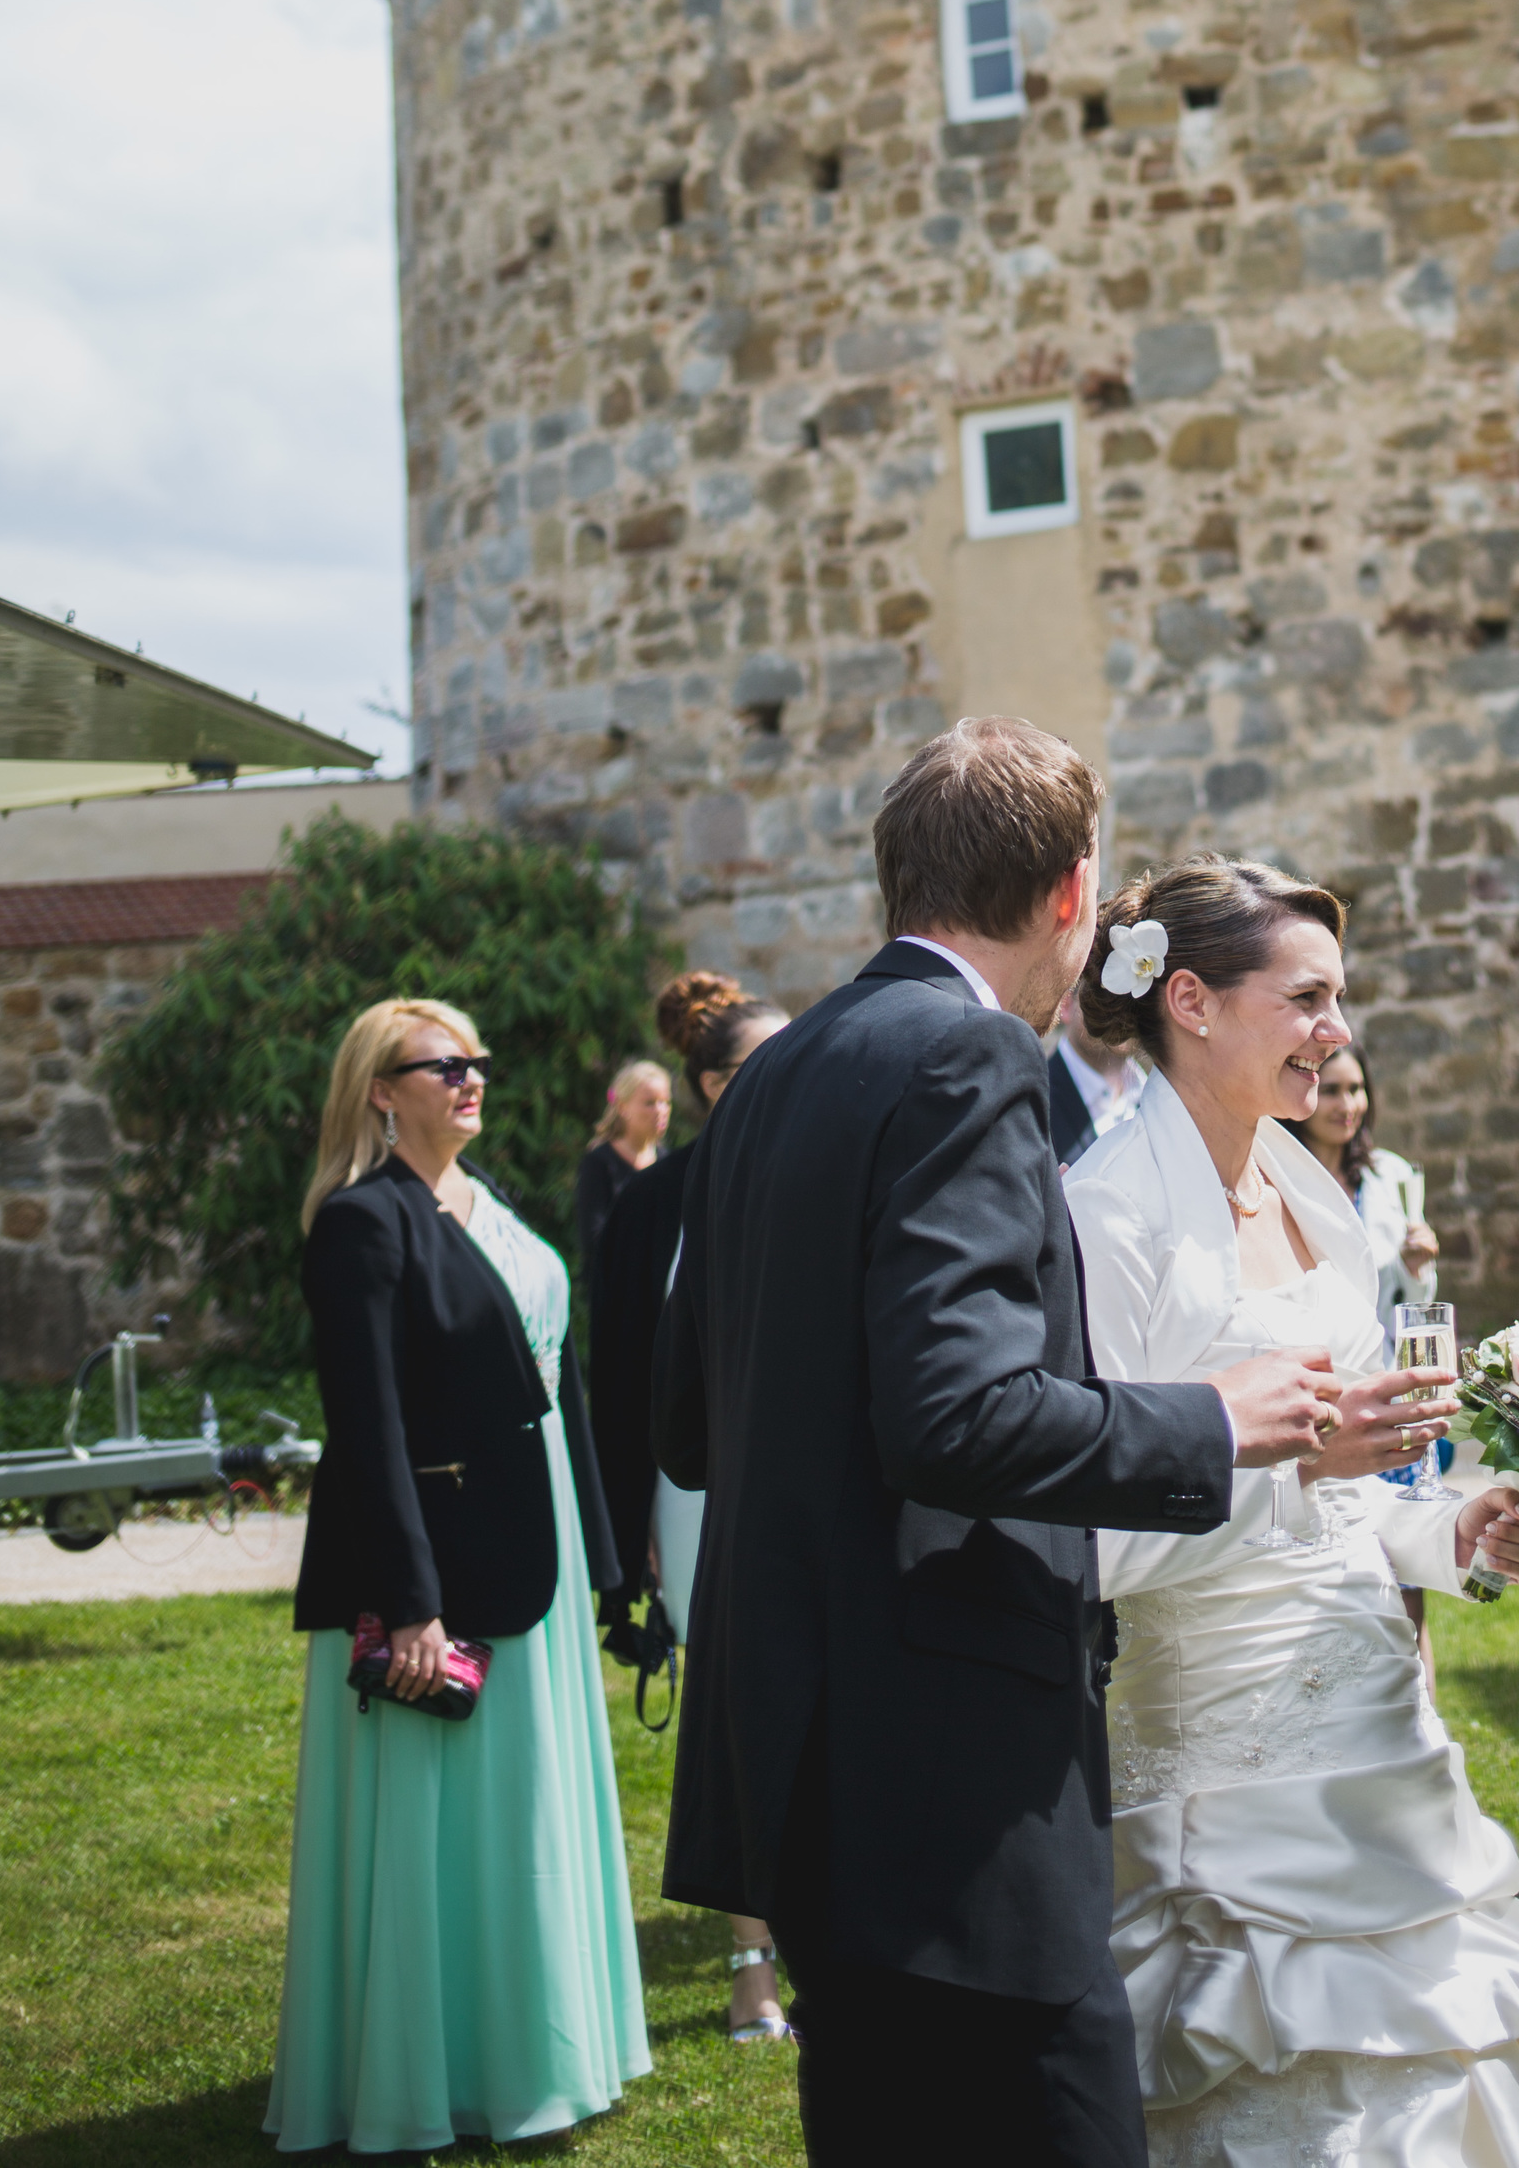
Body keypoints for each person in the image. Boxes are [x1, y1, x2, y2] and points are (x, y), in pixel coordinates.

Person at [653, 715, 1338, 2168]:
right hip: (945, 1782)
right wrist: (1216, 1415)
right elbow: (953, 1412)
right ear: (1069, 893)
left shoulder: (774, 1073)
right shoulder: (966, 1061)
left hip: (799, 1756)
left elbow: (687, 1420)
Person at [1069, 852, 1519, 2168]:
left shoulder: (1318, 1200)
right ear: (1188, 999)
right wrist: (1304, 1463)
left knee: (1460, 2047)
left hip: (1379, 1720)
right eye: (1307, 999)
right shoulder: (1104, 1214)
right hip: (1222, 1762)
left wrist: (1450, 1528)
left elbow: (1353, 1485)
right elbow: (1088, 1536)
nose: (1337, 1033)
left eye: (1338, 999)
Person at [268, 995, 649, 2153]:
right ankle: (428, 2076)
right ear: (383, 1091)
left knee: (530, 1812)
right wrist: (413, 1601)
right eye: (444, 1067)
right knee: (442, 1831)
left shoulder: (487, 1205)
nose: (472, 1080)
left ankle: (543, 2049)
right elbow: (367, 1429)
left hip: (531, 1548)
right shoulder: (360, 1223)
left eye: (478, 1062)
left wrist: (602, 1548)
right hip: (442, 1571)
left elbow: (556, 1385)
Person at [592, 966, 791, 2041]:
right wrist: (633, 1547)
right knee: (737, 1719)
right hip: (700, 1495)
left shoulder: (840, 1173)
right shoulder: (650, 1210)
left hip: (824, 1490)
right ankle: (751, 1958)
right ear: (716, 1086)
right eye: (772, 1062)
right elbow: (621, 1387)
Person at [1283, 1039, 1440, 1322]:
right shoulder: (1276, 1183)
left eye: (1355, 1089)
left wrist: (1411, 1269)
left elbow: (1415, 1311)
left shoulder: (1392, 1175)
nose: (1347, 1107)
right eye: (1330, 1091)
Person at [576, 1053, 671, 1301]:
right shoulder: (599, 1163)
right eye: (649, 1103)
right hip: (617, 1295)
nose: (660, 1111)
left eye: (665, 1102)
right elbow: (593, 1240)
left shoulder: (667, 1161)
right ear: (623, 1108)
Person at [1052, 985, 1150, 1167]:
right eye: (1103, 994)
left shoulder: (1155, 1098)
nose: (1121, 1008)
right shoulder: (1032, 1099)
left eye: (1135, 994)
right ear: (1066, 1005)